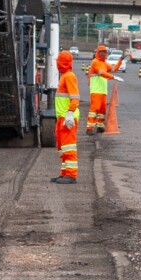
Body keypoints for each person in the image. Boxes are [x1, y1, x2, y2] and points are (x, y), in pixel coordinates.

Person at [51, 50, 79, 184]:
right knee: (63, 148)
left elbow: (75, 98)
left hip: (67, 118)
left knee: (69, 147)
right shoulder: (64, 76)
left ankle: (71, 175)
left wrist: (70, 113)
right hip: (62, 117)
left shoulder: (68, 76)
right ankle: (64, 173)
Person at [86, 45, 125, 135]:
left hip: (103, 91)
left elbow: (114, 68)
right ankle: (89, 128)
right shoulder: (95, 62)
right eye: (101, 52)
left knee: (102, 110)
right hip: (96, 90)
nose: (103, 53)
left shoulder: (104, 63)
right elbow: (102, 73)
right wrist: (113, 77)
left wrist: (120, 60)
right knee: (94, 109)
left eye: (105, 52)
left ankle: (100, 126)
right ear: (98, 53)